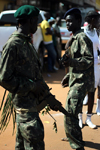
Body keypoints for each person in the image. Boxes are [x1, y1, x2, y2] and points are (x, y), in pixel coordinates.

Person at [0, 5, 63, 150]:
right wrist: (32, 87)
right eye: (36, 21)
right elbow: (4, 78)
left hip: (31, 105)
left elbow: (35, 75)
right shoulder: (13, 45)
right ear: (30, 21)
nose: (38, 24)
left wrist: (48, 97)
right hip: (25, 109)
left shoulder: (26, 43)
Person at [61, 8, 94, 150]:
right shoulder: (75, 37)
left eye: (70, 21)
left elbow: (88, 59)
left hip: (81, 83)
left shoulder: (81, 37)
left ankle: (76, 144)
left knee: (70, 115)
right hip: (76, 80)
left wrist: (71, 63)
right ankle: (74, 137)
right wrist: (68, 75)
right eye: (66, 22)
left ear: (79, 21)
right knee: (71, 113)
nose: (67, 24)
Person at [78, 11, 100, 129]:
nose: (99, 22)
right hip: (84, 67)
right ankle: (80, 118)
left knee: (92, 93)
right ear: (92, 20)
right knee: (82, 93)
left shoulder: (96, 32)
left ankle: (89, 118)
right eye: (97, 20)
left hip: (96, 66)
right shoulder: (82, 32)